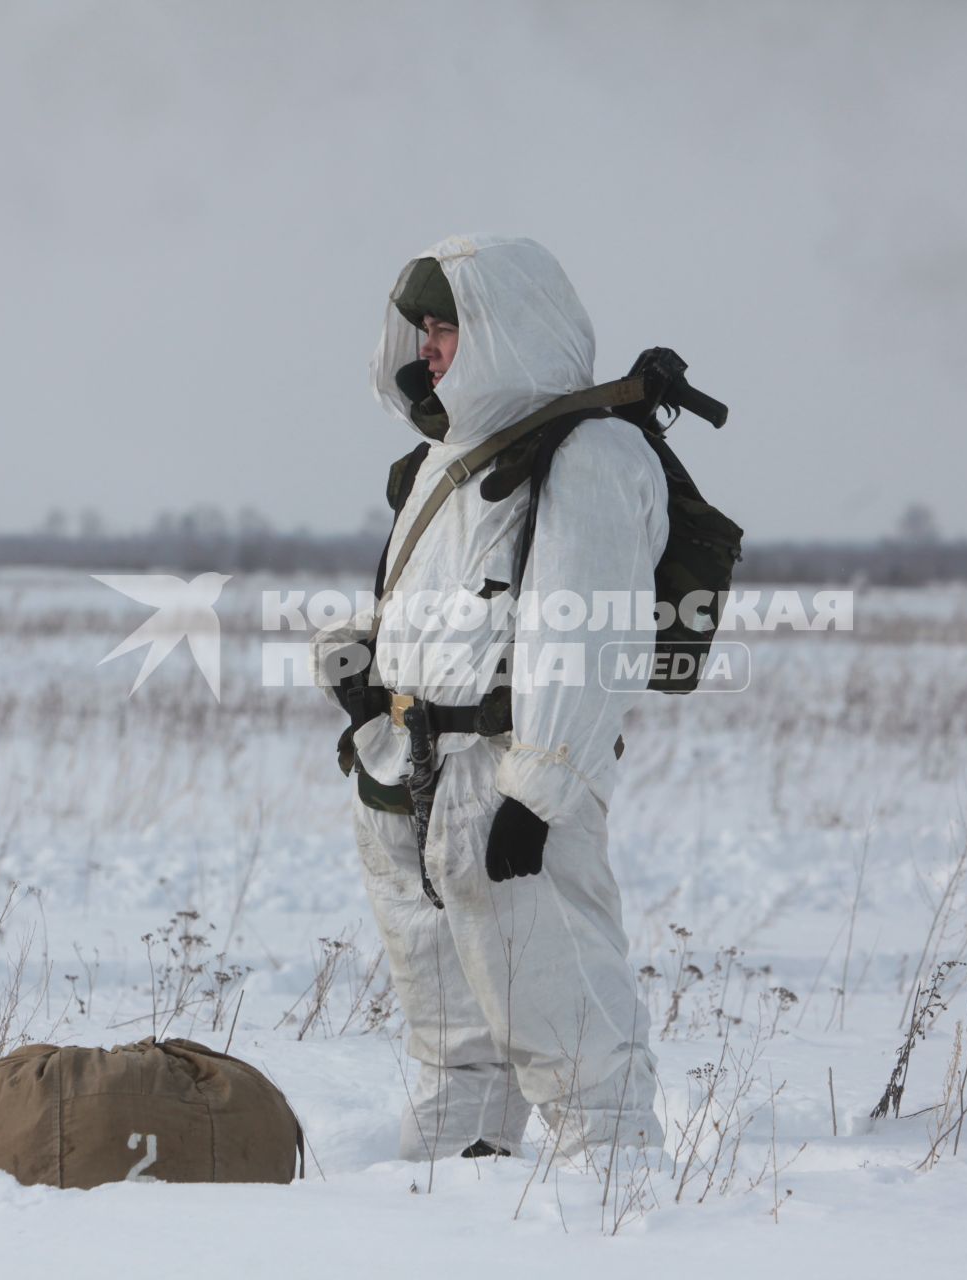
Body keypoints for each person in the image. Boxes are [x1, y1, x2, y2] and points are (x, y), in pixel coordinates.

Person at [317, 234, 667, 1164]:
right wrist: (367, 676)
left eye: (448, 327)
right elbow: (445, 608)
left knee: (572, 1032)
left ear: (506, 329)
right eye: (424, 329)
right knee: (454, 1050)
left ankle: (626, 1209)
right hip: (409, 782)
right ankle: (446, 1218)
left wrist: (539, 794)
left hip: (506, 786)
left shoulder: (591, 454)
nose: (428, 347)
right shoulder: (440, 461)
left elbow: (583, 638)